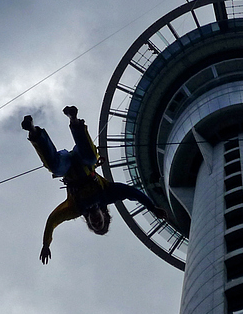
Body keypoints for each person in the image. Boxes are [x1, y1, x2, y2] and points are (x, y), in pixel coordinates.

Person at [22, 105, 167, 264]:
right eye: (100, 222)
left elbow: (53, 220)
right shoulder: (107, 195)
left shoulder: (75, 208)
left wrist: (46, 244)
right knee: (92, 157)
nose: (96, 221)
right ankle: (74, 121)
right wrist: (152, 207)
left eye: (94, 224)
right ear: (105, 215)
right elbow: (132, 193)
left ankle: (34, 132)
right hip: (83, 159)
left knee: (55, 167)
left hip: (67, 166)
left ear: (89, 222)